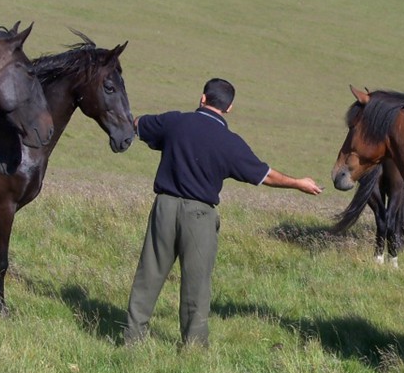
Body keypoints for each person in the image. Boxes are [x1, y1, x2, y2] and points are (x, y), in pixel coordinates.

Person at [124, 78, 322, 347]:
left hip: (165, 206)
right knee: (196, 284)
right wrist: (297, 182)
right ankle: (193, 347)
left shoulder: (175, 122)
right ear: (229, 108)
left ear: (203, 98)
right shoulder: (230, 143)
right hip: (200, 216)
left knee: (149, 274)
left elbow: (137, 125)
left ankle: (133, 339)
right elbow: (264, 175)